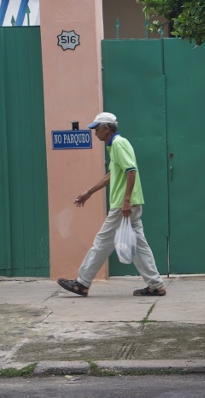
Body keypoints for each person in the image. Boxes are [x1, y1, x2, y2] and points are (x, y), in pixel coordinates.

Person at [57, 112, 166, 297]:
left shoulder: (118, 144)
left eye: (96, 129)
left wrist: (125, 201)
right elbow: (112, 175)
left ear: (106, 128)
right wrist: (89, 192)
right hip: (130, 205)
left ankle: (82, 283)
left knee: (101, 243)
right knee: (140, 246)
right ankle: (155, 285)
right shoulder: (115, 145)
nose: (94, 133)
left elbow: (131, 171)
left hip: (122, 207)